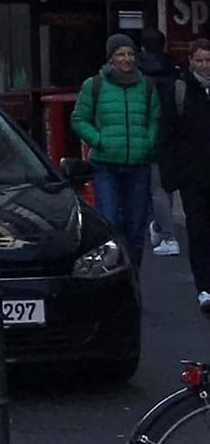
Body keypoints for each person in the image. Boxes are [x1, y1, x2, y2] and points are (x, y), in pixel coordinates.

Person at [71, 33, 160, 268]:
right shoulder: (95, 85)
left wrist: (147, 142)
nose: (127, 59)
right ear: (111, 58)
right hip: (105, 165)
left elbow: (155, 119)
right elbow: (79, 119)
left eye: (130, 54)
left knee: (136, 226)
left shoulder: (147, 86)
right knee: (109, 222)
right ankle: (111, 273)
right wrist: (99, 140)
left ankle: (133, 277)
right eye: (121, 54)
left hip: (138, 165)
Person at [164, 39, 210, 311]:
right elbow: (169, 135)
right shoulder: (179, 90)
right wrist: (172, 175)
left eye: (208, 61)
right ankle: (204, 287)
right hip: (193, 176)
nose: (205, 66)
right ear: (190, 61)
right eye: (200, 61)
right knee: (199, 232)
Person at [138, 27, 182, 256]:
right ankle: (160, 227)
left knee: (156, 188)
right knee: (166, 185)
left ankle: (167, 234)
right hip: (173, 134)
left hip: (147, 132)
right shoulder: (174, 71)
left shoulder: (138, 74)